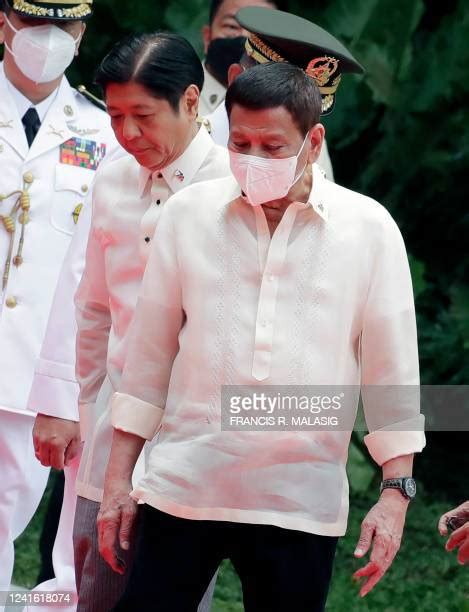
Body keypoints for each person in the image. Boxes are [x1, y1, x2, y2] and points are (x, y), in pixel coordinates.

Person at [99, 61, 426, 611]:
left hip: (300, 499)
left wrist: (395, 492)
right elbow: (148, 360)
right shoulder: (187, 215)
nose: (254, 160)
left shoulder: (368, 229)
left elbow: (392, 372)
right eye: (240, 143)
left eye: (273, 147)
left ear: (313, 139)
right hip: (183, 487)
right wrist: (116, 485)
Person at [30, 31, 231, 611]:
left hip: (195, 437)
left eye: (143, 116)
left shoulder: (233, 185)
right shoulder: (112, 179)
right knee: (93, 585)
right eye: (115, 115)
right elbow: (91, 305)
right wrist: (81, 404)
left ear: (191, 102)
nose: (127, 133)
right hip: (110, 429)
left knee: (173, 594)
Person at [0, 0, 119, 595]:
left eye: (63, 25)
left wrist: (68, 390)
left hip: (38, 378)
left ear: (82, 32)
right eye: (33, 23)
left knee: (22, 521)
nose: (47, 39)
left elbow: (96, 271)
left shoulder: (105, 132)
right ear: (4, 24)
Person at [207, 6, 364, 182]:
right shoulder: (188, 148)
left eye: (305, 108)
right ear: (235, 79)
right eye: (272, 98)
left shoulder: (311, 146)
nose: (291, 118)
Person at [199, 0, 281, 117]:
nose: (245, 35)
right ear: (207, 37)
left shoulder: (287, 111)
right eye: (232, 26)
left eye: (260, 29)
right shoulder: (174, 96)